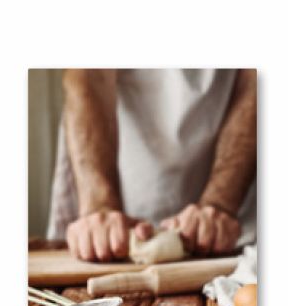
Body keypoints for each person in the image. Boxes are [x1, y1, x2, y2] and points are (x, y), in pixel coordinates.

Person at [47, 69, 256, 261]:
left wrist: (220, 202)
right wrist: (100, 205)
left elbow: (255, 80)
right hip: (120, 169)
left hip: (236, 215)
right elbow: (90, 75)